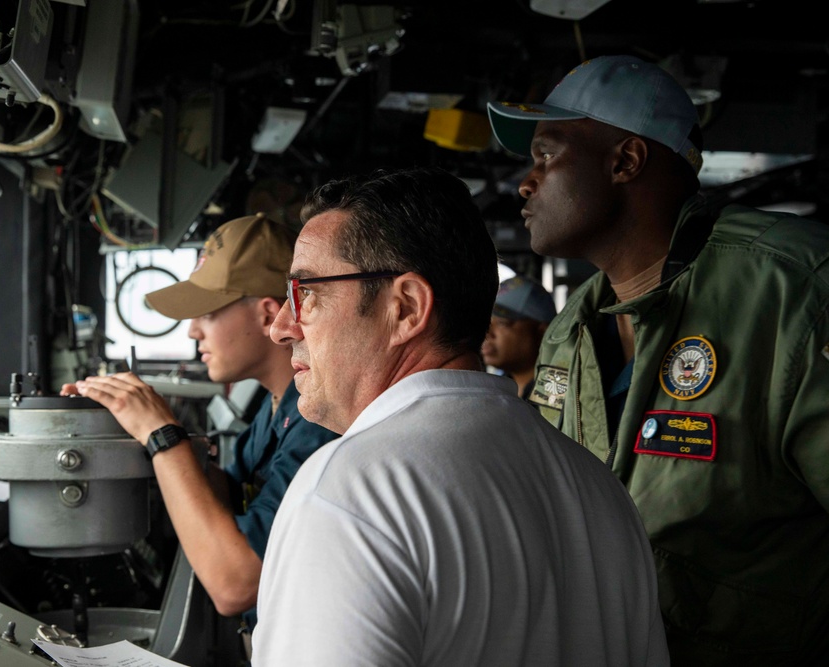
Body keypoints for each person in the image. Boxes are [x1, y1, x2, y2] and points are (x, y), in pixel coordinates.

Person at [488, 54, 829, 665]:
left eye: (545, 155)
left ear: (625, 161)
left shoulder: (790, 287)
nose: (525, 182)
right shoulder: (570, 331)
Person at [251, 167, 669, 666]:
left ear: (405, 307)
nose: (281, 327)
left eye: (308, 293)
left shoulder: (350, 491)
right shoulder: (597, 488)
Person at [62, 213, 338, 643]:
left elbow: (236, 584)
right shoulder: (274, 409)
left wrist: (162, 436)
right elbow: (225, 494)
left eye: (205, 313)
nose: (192, 330)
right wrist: (130, 424)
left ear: (269, 315)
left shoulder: (321, 423)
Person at [481, 274, 556, 396]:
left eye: (502, 323)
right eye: (487, 322)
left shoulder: (557, 394)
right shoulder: (497, 390)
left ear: (543, 332)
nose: (487, 333)